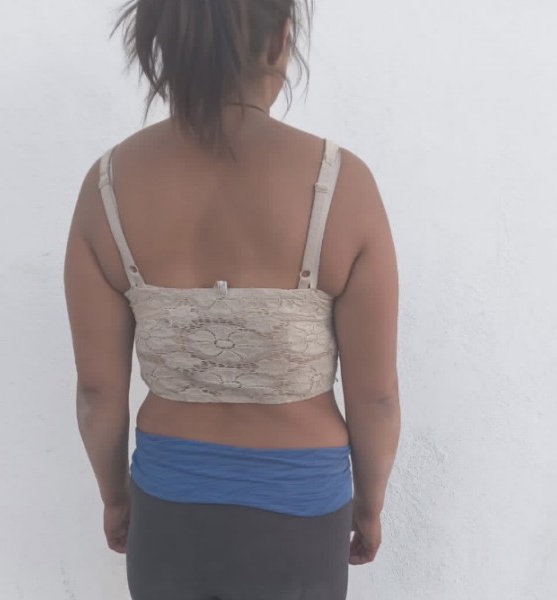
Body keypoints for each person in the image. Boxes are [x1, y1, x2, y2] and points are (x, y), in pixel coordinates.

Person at [64, 1, 400, 598]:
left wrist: (115, 497)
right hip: (303, 513)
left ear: (163, 46)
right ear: (280, 41)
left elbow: (96, 394)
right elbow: (375, 397)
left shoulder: (107, 186)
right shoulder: (342, 184)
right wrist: (370, 506)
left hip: (167, 505)